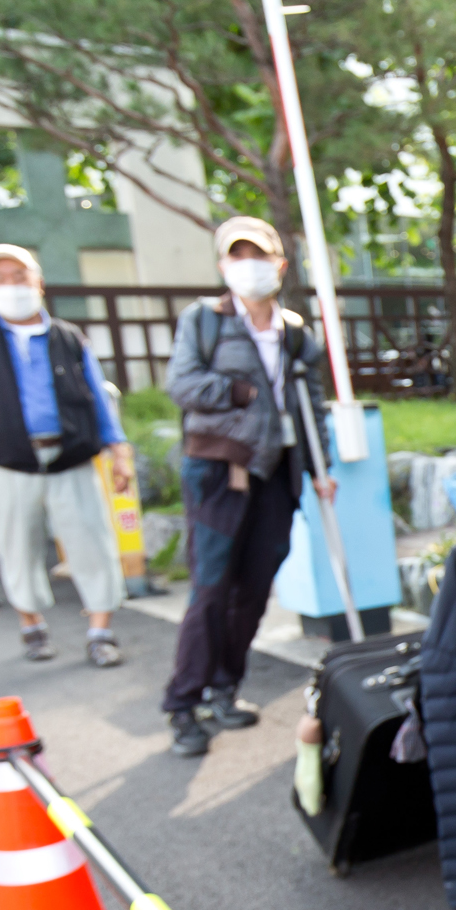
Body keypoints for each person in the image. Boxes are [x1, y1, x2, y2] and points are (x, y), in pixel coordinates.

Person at [160, 216, 335, 757]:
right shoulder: (204, 321)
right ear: (222, 267)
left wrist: (320, 466)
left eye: (257, 255)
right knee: (212, 587)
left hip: (277, 473)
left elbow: (313, 407)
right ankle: (183, 703)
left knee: (256, 587)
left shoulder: (296, 332)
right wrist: (238, 393)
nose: (248, 266)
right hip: (219, 470)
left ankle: (224, 688)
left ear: (279, 265)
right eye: (237, 257)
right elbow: (181, 383)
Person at [0, 244, 134, 666]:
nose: (11, 286)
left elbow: (99, 400)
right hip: (7, 461)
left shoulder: (68, 337)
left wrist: (119, 452)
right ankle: (32, 625)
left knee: (92, 542)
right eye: (1, 278)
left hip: (70, 457)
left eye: (20, 276)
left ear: (39, 283)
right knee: (16, 546)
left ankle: (100, 630)